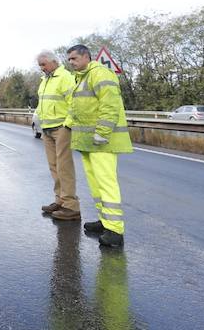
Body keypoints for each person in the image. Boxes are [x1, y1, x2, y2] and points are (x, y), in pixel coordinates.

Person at [64, 44, 132, 247]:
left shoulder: (101, 74)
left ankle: (115, 231)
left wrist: (102, 132)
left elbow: (109, 104)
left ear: (86, 57)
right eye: (69, 60)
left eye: (74, 59)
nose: (71, 63)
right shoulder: (81, 77)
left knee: (106, 183)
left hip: (103, 141)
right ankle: (105, 221)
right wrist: (68, 126)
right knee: (96, 185)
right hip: (88, 142)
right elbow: (78, 108)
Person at [35, 50, 79, 221]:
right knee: (54, 166)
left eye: (43, 64)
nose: (41, 68)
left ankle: (71, 206)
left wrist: (67, 125)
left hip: (61, 127)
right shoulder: (45, 80)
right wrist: (39, 120)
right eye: (40, 65)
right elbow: (42, 103)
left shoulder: (65, 77)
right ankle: (60, 200)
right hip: (46, 128)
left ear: (53, 62)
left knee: (64, 167)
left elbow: (74, 103)